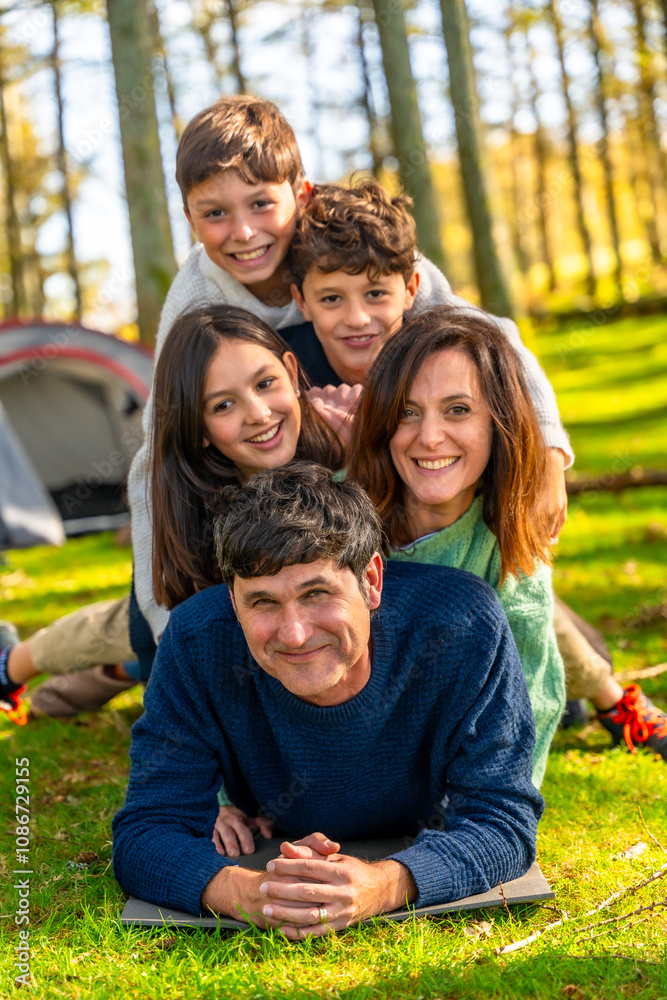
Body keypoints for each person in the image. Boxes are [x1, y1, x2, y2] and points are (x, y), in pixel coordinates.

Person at [112, 463, 543, 936]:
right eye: (263, 602)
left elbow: (502, 820)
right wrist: (249, 893)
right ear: (233, 602)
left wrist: (386, 885)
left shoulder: (463, 624)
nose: (294, 634)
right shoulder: (197, 639)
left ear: (371, 581)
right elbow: (147, 829)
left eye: (316, 593)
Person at [345, 307, 667, 770]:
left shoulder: (506, 535)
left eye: (458, 410)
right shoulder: (336, 514)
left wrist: (495, 802)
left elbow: (530, 695)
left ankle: (605, 701)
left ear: (499, 423)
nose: (429, 437)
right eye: (407, 412)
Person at [0, 305, 341, 720]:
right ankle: (11, 663)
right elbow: (174, 620)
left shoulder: (343, 443)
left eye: (265, 383)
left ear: (291, 371)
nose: (258, 413)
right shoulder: (195, 503)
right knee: (127, 626)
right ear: (198, 429)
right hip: (200, 626)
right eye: (223, 405)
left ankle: (112, 673)